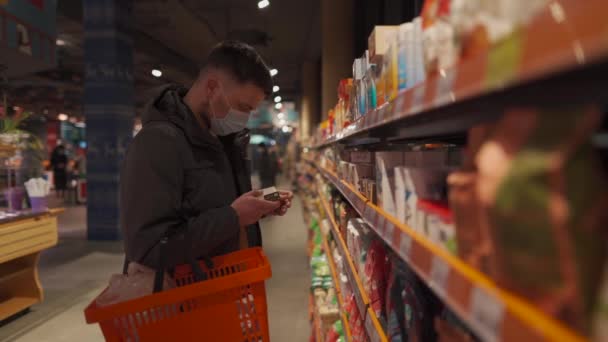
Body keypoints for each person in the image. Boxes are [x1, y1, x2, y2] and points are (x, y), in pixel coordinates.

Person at [120, 41, 293, 268]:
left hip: (226, 289)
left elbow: (215, 205)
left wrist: (261, 204)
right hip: (187, 298)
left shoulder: (225, 139)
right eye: (243, 107)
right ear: (212, 88)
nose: (245, 118)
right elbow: (147, 248)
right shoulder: (157, 143)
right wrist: (234, 217)